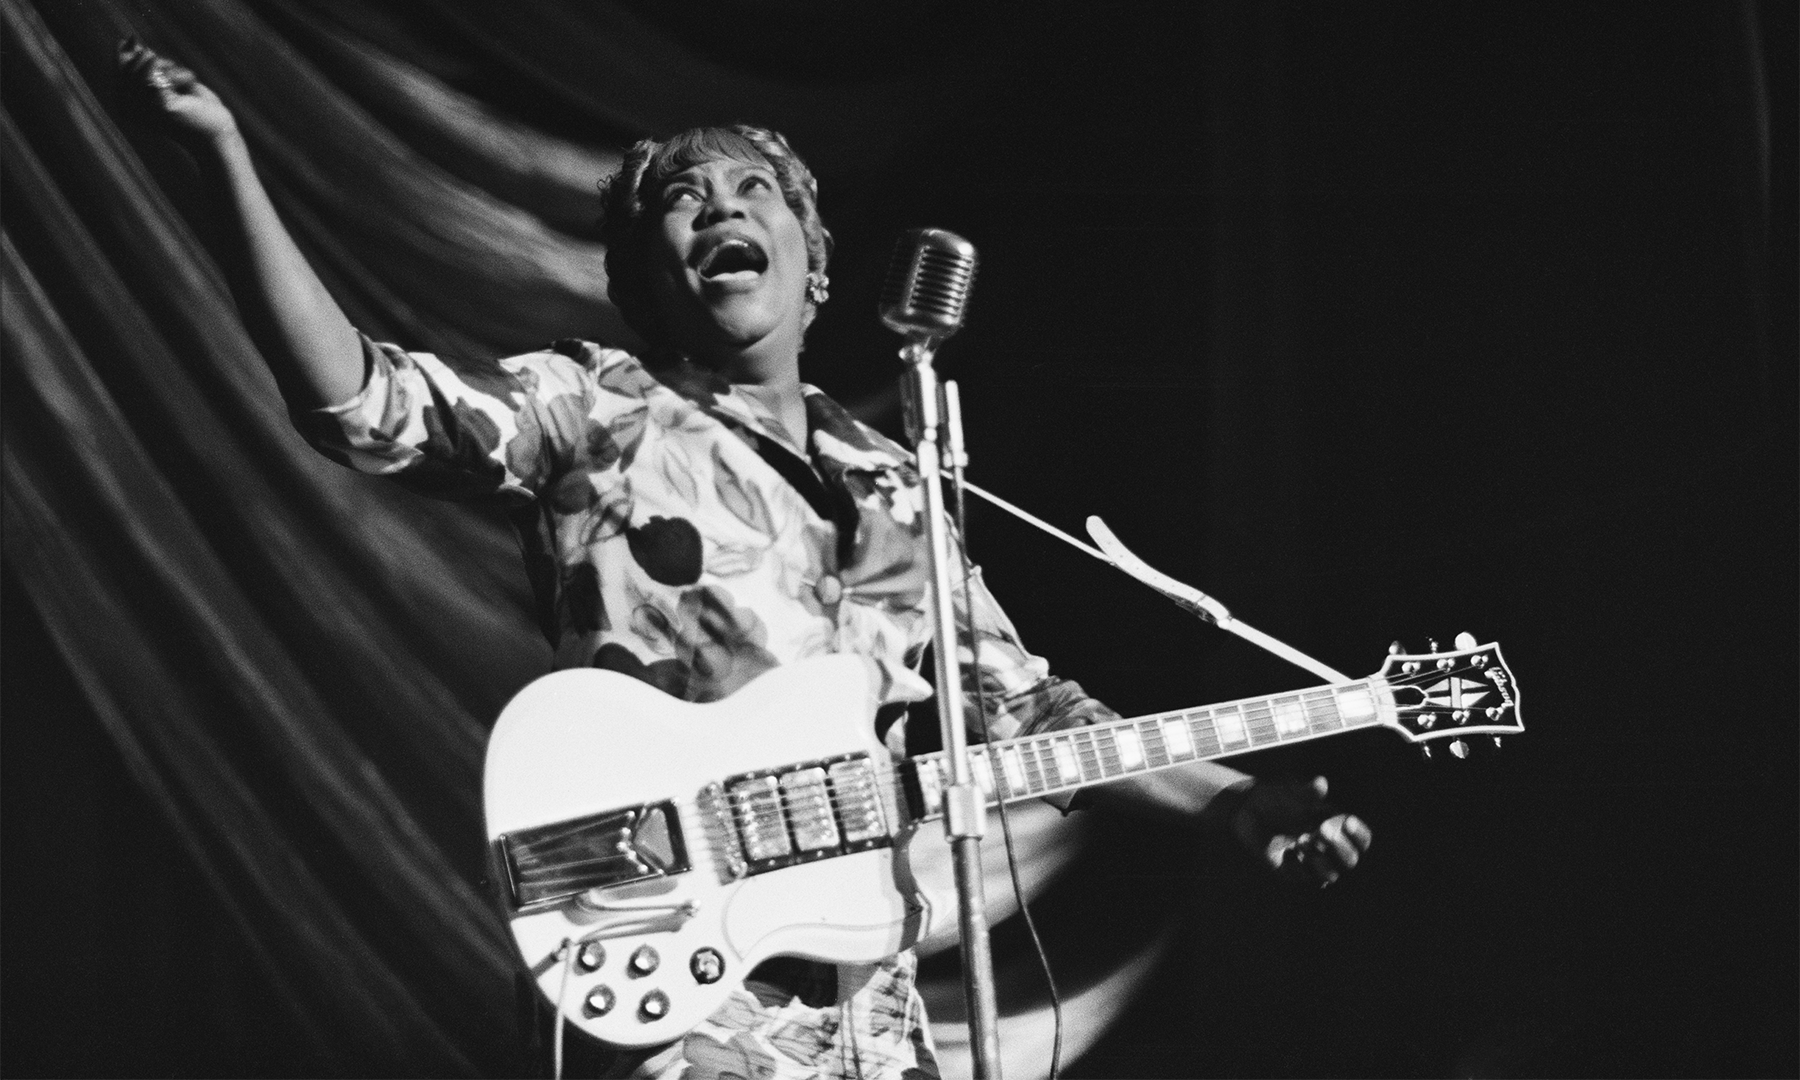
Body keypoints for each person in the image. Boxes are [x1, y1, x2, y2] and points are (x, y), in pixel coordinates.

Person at [119, 39, 1373, 1080]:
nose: (720, 206)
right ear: (645, 276)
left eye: (750, 191)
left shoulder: (895, 479)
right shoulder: (592, 411)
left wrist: (1233, 802)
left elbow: (1029, 713)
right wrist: (226, 157)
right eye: (683, 197)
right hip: (670, 954)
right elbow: (365, 407)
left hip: (868, 992)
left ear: (813, 265)